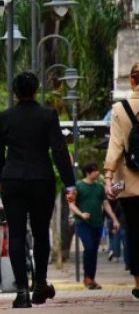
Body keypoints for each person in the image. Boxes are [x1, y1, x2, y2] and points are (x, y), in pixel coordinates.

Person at [0, 71, 77, 308]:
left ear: (14, 92)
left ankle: (21, 293)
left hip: (13, 181)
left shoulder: (4, 117)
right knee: (41, 234)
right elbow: (59, 151)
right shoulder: (48, 116)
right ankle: (40, 284)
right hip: (41, 180)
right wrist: (70, 183)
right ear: (36, 90)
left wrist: (1, 178)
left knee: (17, 235)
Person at [104, 62, 139, 300]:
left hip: (129, 186)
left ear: (132, 81)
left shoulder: (120, 108)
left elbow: (115, 146)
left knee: (135, 233)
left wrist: (108, 178)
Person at [69, 163, 120, 289]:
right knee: (90, 247)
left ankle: (91, 278)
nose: (98, 172)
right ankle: (87, 278)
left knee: (93, 251)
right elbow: (71, 204)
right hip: (83, 223)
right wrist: (81, 214)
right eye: (96, 170)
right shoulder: (78, 186)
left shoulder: (99, 187)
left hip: (98, 223)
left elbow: (106, 204)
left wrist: (114, 219)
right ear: (88, 172)